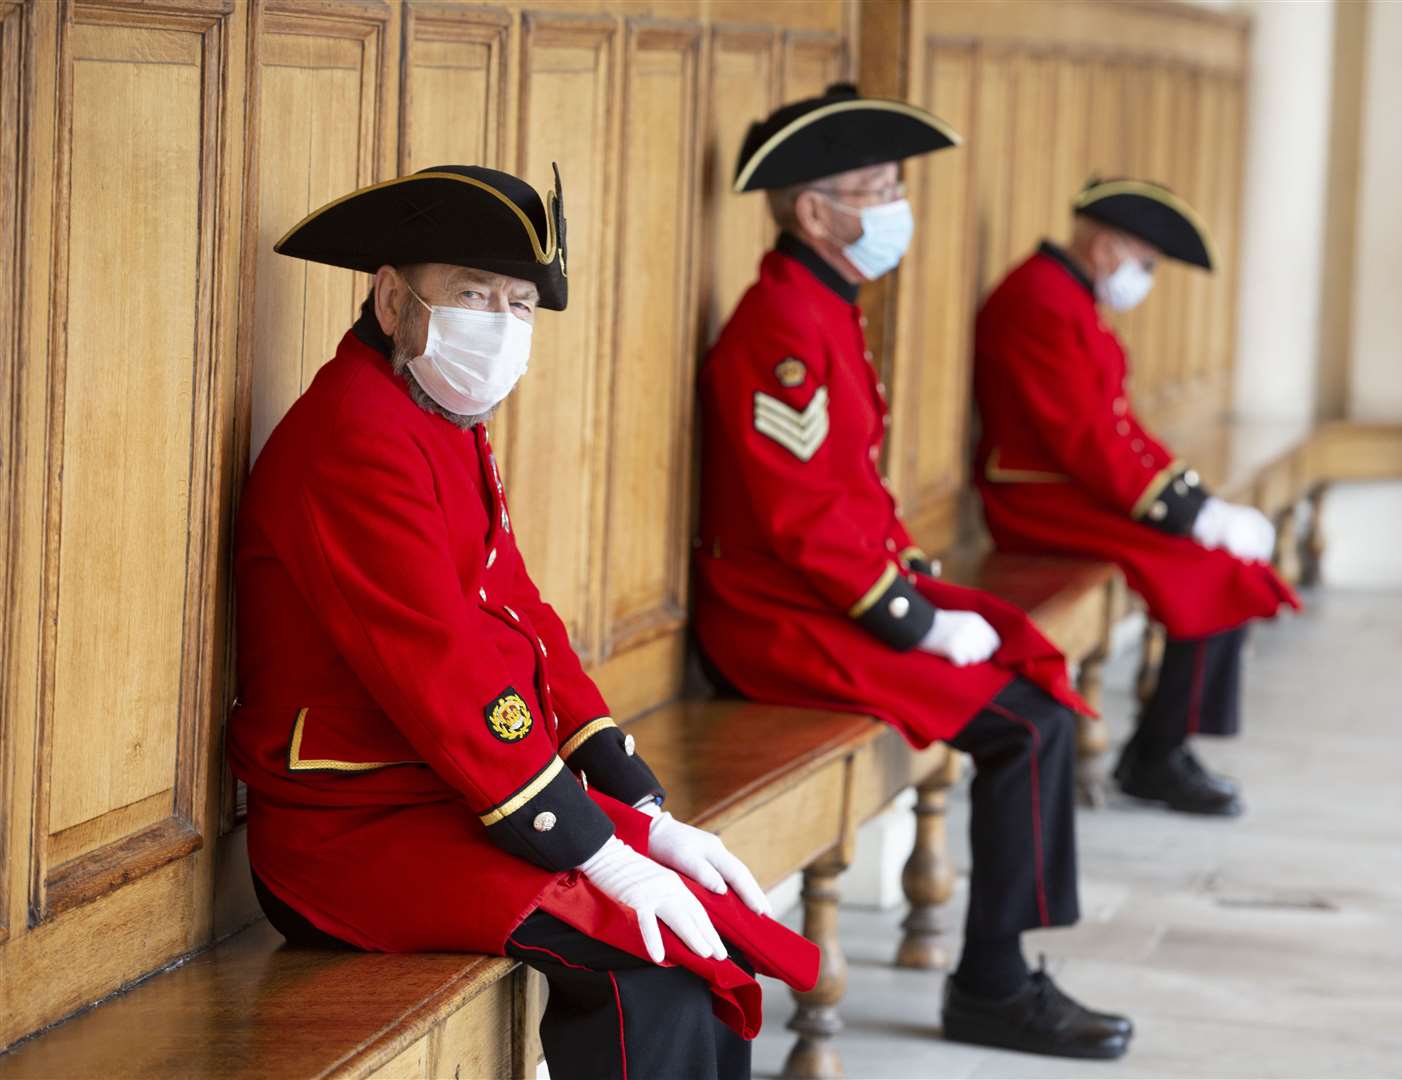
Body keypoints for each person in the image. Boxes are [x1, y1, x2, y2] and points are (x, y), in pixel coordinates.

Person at [227, 163, 816, 1080]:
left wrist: (627, 790)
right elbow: (442, 665)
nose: (501, 327)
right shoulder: (354, 433)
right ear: (392, 301)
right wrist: (592, 844)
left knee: (698, 932)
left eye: (520, 305)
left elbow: (517, 608)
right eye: (472, 294)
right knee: (649, 960)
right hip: (346, 833)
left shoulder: (433, 412)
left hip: (439, 793)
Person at [693, 84, 1133, 1061]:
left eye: (893, 183)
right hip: (776, 618)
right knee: (1030, 723)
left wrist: (914, 597)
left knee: (1035, 685)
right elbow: (803, 519)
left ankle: (1001, 970)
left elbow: (841, 497)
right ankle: (993, 984)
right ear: (814, 214)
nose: (895, 203)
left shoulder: (821, 305)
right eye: (875, 186)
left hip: (824, 596)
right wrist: (908, 618)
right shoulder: (781, 326)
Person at [973, 178, 1300, 817]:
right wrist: (1186, 512)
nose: (1143, 279)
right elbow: (1085, 440)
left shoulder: (1064, 294)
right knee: (1211, 573)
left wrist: (1194, 502)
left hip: (1069, 488)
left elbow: (1114, 424)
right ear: (1106, 247)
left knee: (1222, 566)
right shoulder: (1041, 299)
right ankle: (1157, 757)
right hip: (1038, 500)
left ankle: (1163, 748)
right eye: (1144, 263)